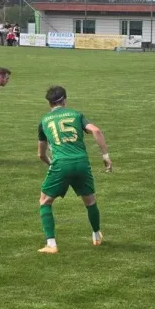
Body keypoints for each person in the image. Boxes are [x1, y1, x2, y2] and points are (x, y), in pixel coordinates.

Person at [37, 86, 112, 254]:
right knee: (90, 201)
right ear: (64, 100)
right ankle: (96, 235)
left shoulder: (43, 122)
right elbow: (96, 130)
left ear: (49, 103)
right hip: (82, 163)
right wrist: (105, 156)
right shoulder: (77, 115)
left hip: (60, 163)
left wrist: (52, 165)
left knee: (45, 201)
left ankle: (51, 244)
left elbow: (41, 154)